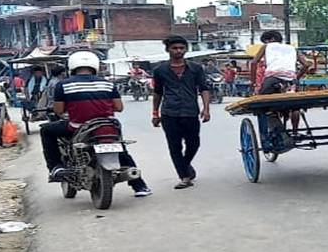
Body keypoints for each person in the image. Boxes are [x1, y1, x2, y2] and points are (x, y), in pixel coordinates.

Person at [40, 51, 151, 197]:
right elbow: (119, 107)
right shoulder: (107, 84)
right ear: (95, 66)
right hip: (107, 127)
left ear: (72, 66)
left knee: (46, 131)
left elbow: (59, 110)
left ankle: (56, 167)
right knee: (121, 150)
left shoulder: (63, 85)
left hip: (78, 128)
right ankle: (139, 186)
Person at [152, 36, 211, 189]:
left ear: (186, 49)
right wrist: (155, 113)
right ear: (168, 50)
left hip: (191, 112)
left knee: (194, 144)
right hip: (169, 113)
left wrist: (206, 108)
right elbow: (158, 92)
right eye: (175, 48)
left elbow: (203, 88)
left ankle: (185, 165)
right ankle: (184, 176)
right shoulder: (160, 70)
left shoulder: (196, 68)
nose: (178, 51)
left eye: (181, 48)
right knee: (174, 146)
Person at [247, 30, 311, 130]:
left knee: (262, 104)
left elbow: (254, 63)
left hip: (272, 79)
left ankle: (275, 126)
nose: (265, 43)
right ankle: (295, 131)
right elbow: (306, 64)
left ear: (272, 39)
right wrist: (296, 77)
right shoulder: (292, 48)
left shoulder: (267, 47)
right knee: (295, 107)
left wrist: (253, 83)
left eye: (266, 41)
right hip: (290, 80)